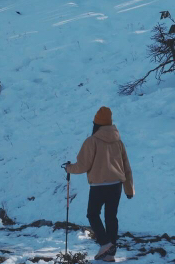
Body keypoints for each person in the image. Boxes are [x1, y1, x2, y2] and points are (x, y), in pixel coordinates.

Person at [63, 106, 134, 262]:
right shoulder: (118, 141)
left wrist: (68, 168)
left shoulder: (92, 141)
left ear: (96, 124)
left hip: (99, 186)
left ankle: (105, 244)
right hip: (116, 185)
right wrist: (129, 189)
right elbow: (126, 166)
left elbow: (83, 166)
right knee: (111, 217)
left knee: (92, 214)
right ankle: (110, 254)